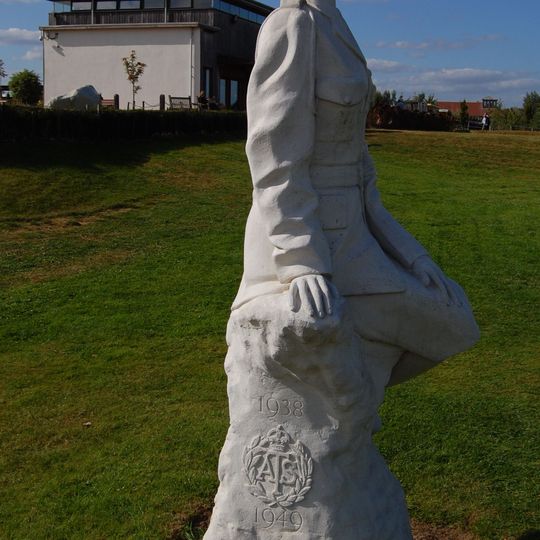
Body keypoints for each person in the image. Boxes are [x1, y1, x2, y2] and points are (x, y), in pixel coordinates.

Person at [233, 0, 479, 386]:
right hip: (311, 236)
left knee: (457, 321)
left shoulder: (335, 25)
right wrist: (302, 261)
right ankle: (348, 408)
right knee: (449, 325)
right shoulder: (292, 24)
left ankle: (353, 406)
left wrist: (412, 255)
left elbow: (361, 174)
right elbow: (274, 157)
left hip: (357, 236)